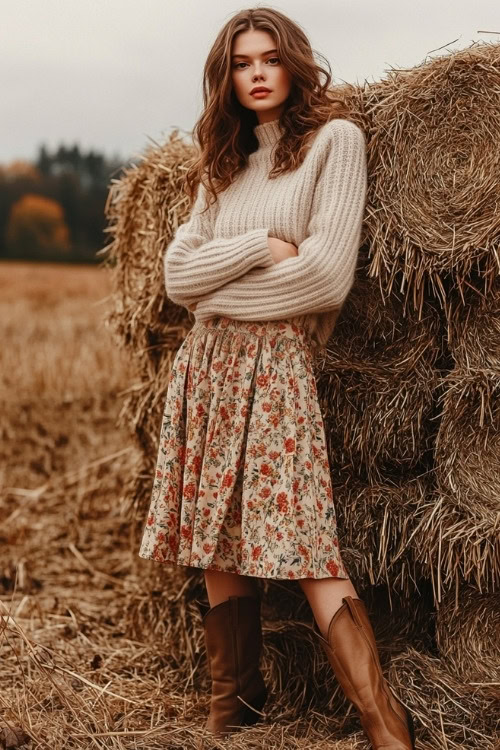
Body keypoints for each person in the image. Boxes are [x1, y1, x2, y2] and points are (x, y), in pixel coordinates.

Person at [139, 6, 415, 749]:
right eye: (240, 63)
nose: (256, 73)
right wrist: (263, 244)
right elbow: (174, 278)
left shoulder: (335, 143)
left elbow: (323, 281)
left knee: (306, 547)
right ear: (226, 77)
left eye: (268, 58)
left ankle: (385, 723)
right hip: (207, 372)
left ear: (293, 63)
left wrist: (215, 290)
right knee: (218, 545)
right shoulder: (222, 168)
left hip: (278, 368)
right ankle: (234, 712)